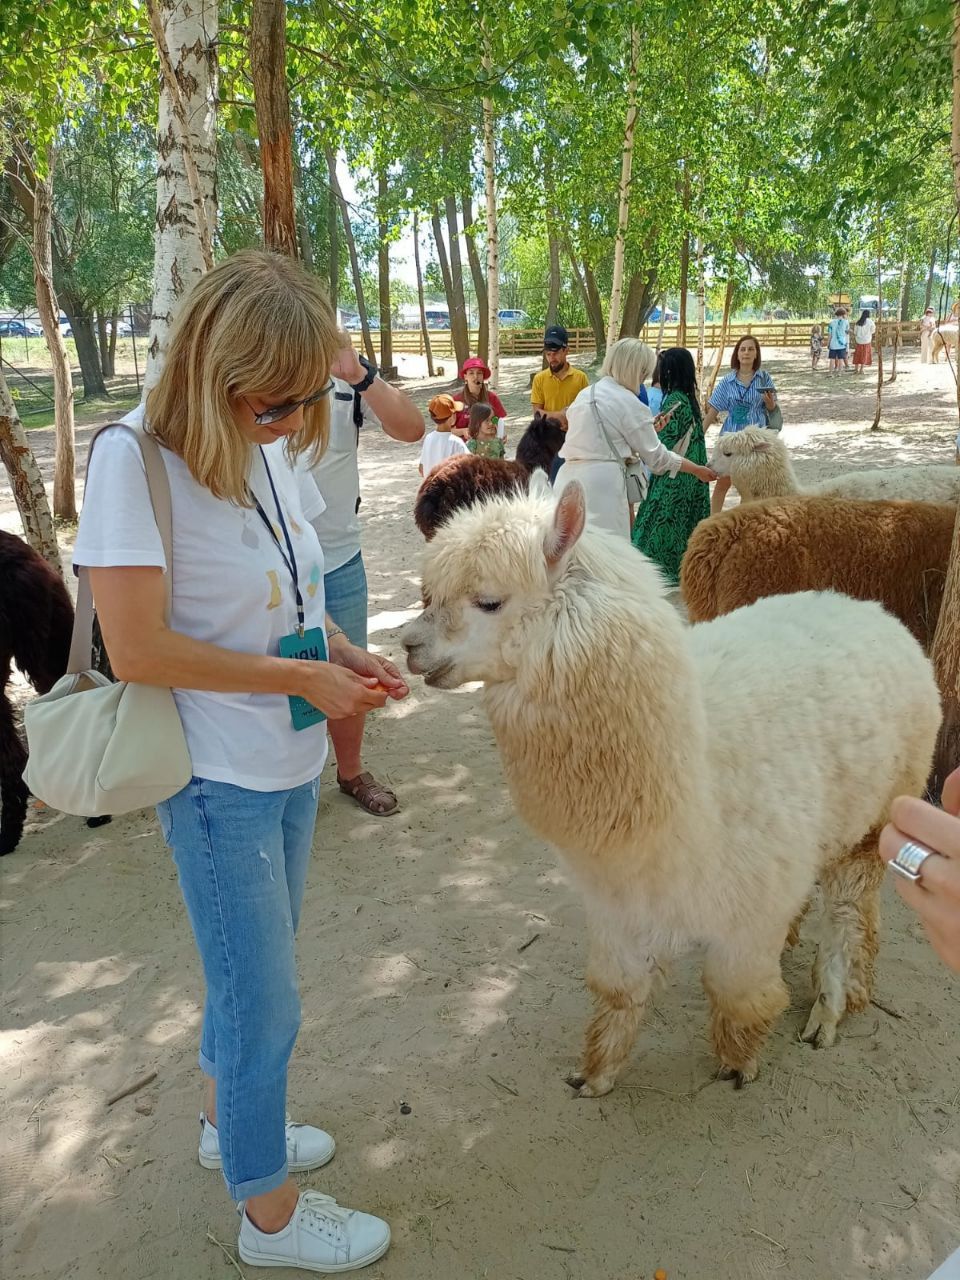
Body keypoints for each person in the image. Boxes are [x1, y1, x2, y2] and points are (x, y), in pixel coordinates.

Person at [72, 250, 406, 1273]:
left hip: (287, 758)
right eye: (282, 401)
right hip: (217, 778)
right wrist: (304, 685)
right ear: (221, 372)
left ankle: (230, 1125)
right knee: (266, 999)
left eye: (310, 400)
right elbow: (137, 650)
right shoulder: (133, 460)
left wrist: (344, 653)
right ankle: (269, 1215)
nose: (297, 422)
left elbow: (293, 594)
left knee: (245, 976)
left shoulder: (259, 444)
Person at [310, 342, 423, 817]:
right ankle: (294, 782)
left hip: (340, 557)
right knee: (281, 670)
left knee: (353, 665)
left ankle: (351, 771)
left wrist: (359, 374)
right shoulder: (264, 378)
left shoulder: (346, 380)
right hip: (273, 563)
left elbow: (412, 429)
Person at [555, 337, 715, 539]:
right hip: (603, 489)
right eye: (643, 373)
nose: (644, 379)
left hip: (567, 482)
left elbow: (605, 437)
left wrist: (649, 430)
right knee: (610, 558)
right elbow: (658, 460)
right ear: (635, 370)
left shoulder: (586, 394)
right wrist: (696, 469)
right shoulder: (629, 402)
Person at [631, 347, 711, 584]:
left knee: (659, 526)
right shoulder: (688, 399)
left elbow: (663, 445)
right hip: (692, 475)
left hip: (675, 478)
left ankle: (658, 576)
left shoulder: (674, 400)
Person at [702, 335, 778, 515]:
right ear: (737, 354)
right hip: (731, 439)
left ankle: (745, 524)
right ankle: (714, 521)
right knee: (722, 484)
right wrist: (699, 435)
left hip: (753, 442)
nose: (746, 353)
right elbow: (713, 411)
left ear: (756, 354)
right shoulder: (727, 381)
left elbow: (773, 407)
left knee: (751, 487)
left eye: (751, 349)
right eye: (742, 349)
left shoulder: (764, 378)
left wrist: (769, 403)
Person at [531, 324, 590, 428]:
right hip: (547, 440)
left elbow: (586, 412)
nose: (552, 358)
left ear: (566, 351)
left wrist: (568, 419)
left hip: (573, 438)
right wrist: (560, 416)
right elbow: (536, 414)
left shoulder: (581, 378)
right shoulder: (539, 379)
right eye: (548, 354)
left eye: (556, 353)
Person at [457, 356, 507, 440]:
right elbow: (446, 431)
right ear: (465, 376)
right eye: (471, 373)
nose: (475, 376)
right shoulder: (456, 400)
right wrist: (462, 431)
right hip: (464, 449)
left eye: (479, 373)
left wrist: (500, 434)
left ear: (483, 376)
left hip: (489, 448)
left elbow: (499, 422)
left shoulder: (492, 397)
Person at [419, 394, 469, 477]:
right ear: (452, 417)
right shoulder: (456, 442)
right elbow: (471, 466)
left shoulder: (428, 438)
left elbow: (421, 469)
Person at [826, 307, 850, 373]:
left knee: (832, 359)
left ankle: (830, 372)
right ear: (843, 314)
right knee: (841, 359)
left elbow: (829, 334)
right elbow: (847, 332)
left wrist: (828, 343)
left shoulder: (831, 323)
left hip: (833, 343)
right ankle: (839, 372)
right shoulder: (846, 322)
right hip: (842, 343)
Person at [852, 308, 875, 373]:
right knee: (864, 355)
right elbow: (873, 330)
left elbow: (855, 332)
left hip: (859, 341)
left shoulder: (858, 322)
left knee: (857, 354)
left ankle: (856, 369)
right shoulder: (870, 321)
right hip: (867, 341)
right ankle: (861, 369)